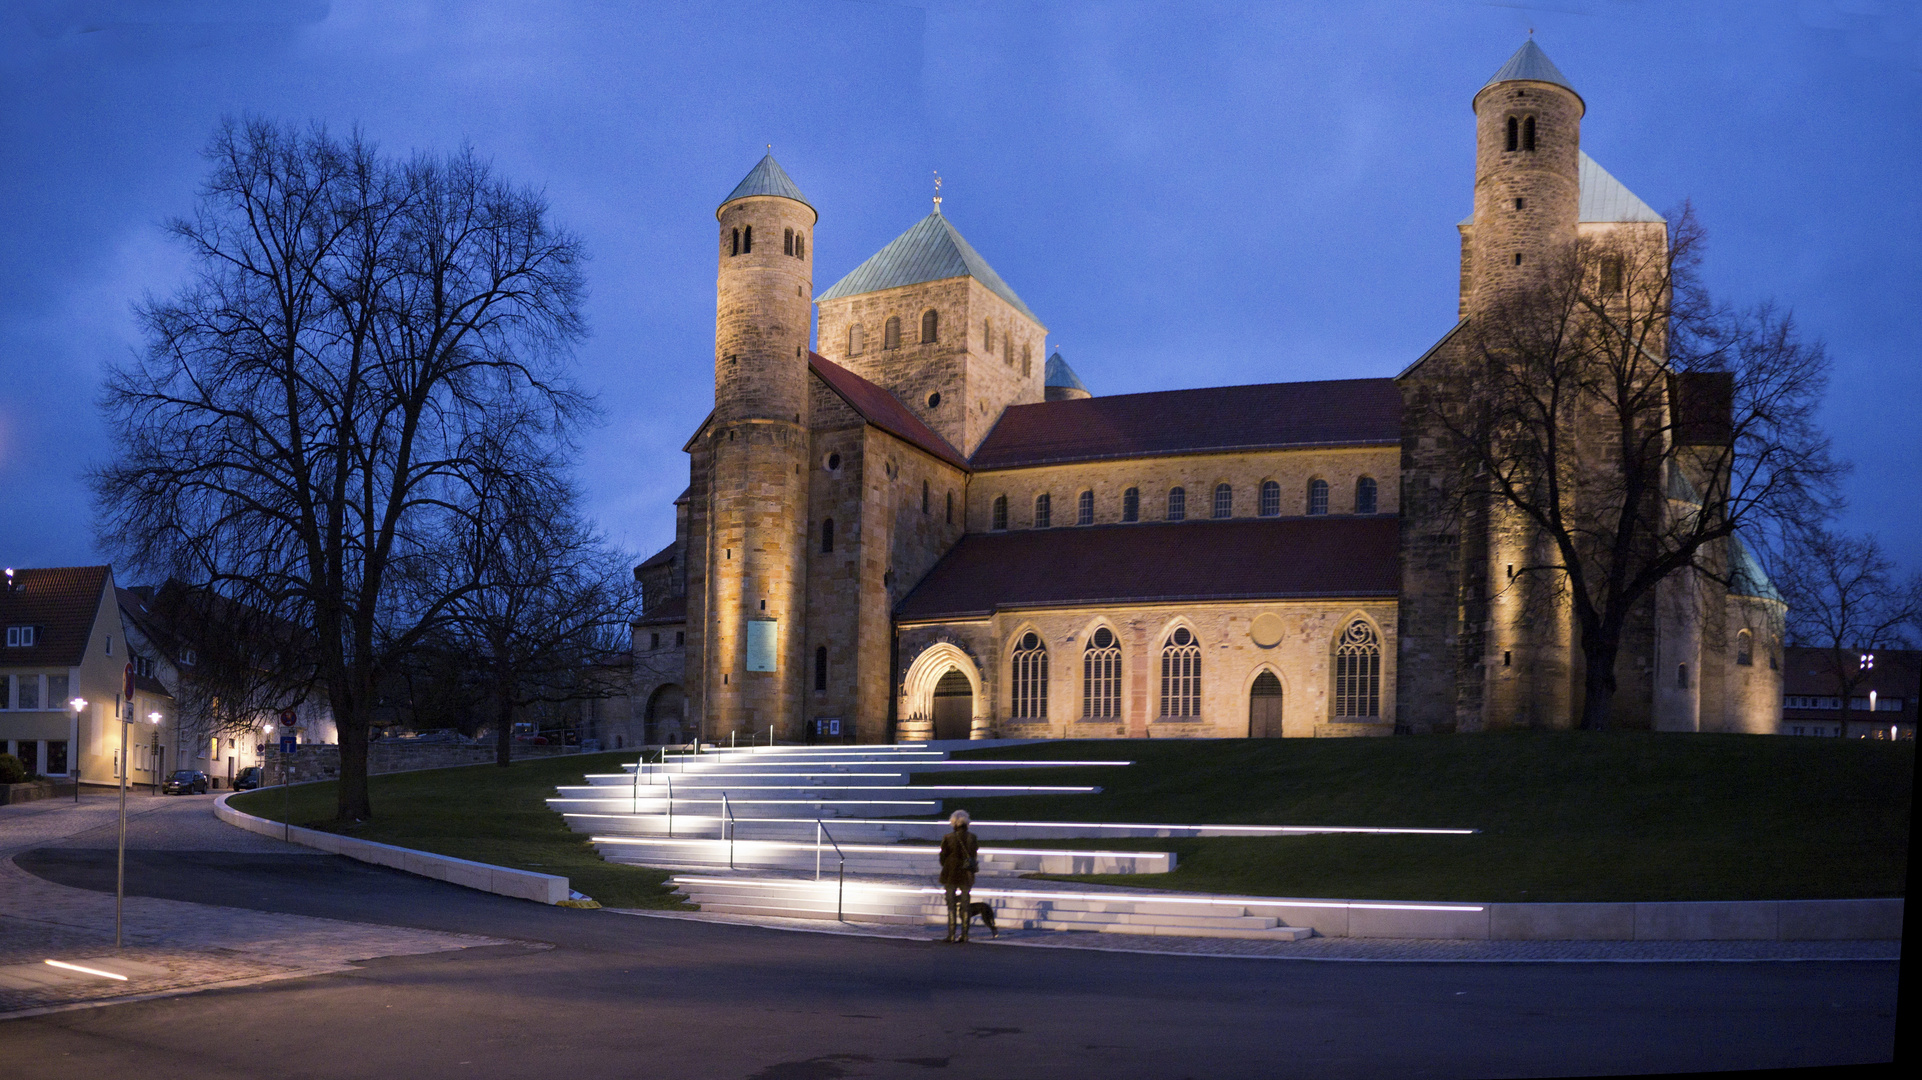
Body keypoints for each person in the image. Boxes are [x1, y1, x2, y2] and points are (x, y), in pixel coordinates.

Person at [938, 809, 980, 943]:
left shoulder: (948, 837)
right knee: (965, 903)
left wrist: (948, 864)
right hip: (966, 873)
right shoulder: (972, 837)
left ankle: (951, 935)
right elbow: (974, 855)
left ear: (954, 822)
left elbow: (942, 857)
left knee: (951, 903)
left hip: (951, 873)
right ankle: (965, 935)